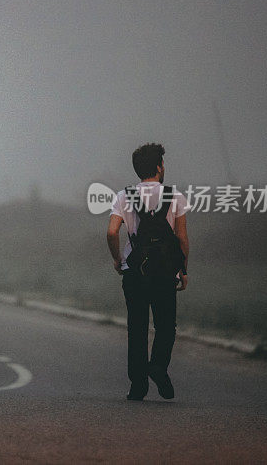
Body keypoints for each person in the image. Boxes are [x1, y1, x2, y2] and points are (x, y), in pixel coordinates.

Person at [106, 143, 190, 401]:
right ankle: (158, 366)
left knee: (137, 327)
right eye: (162, 163)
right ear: (158, 167)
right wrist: (183, 270)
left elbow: (111, 232)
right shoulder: (175, 196)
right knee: (166, 327)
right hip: (165, 273)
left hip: (135, 273)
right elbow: (182, 238)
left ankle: (138, 385)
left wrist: (118, 258)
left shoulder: (123, 196)